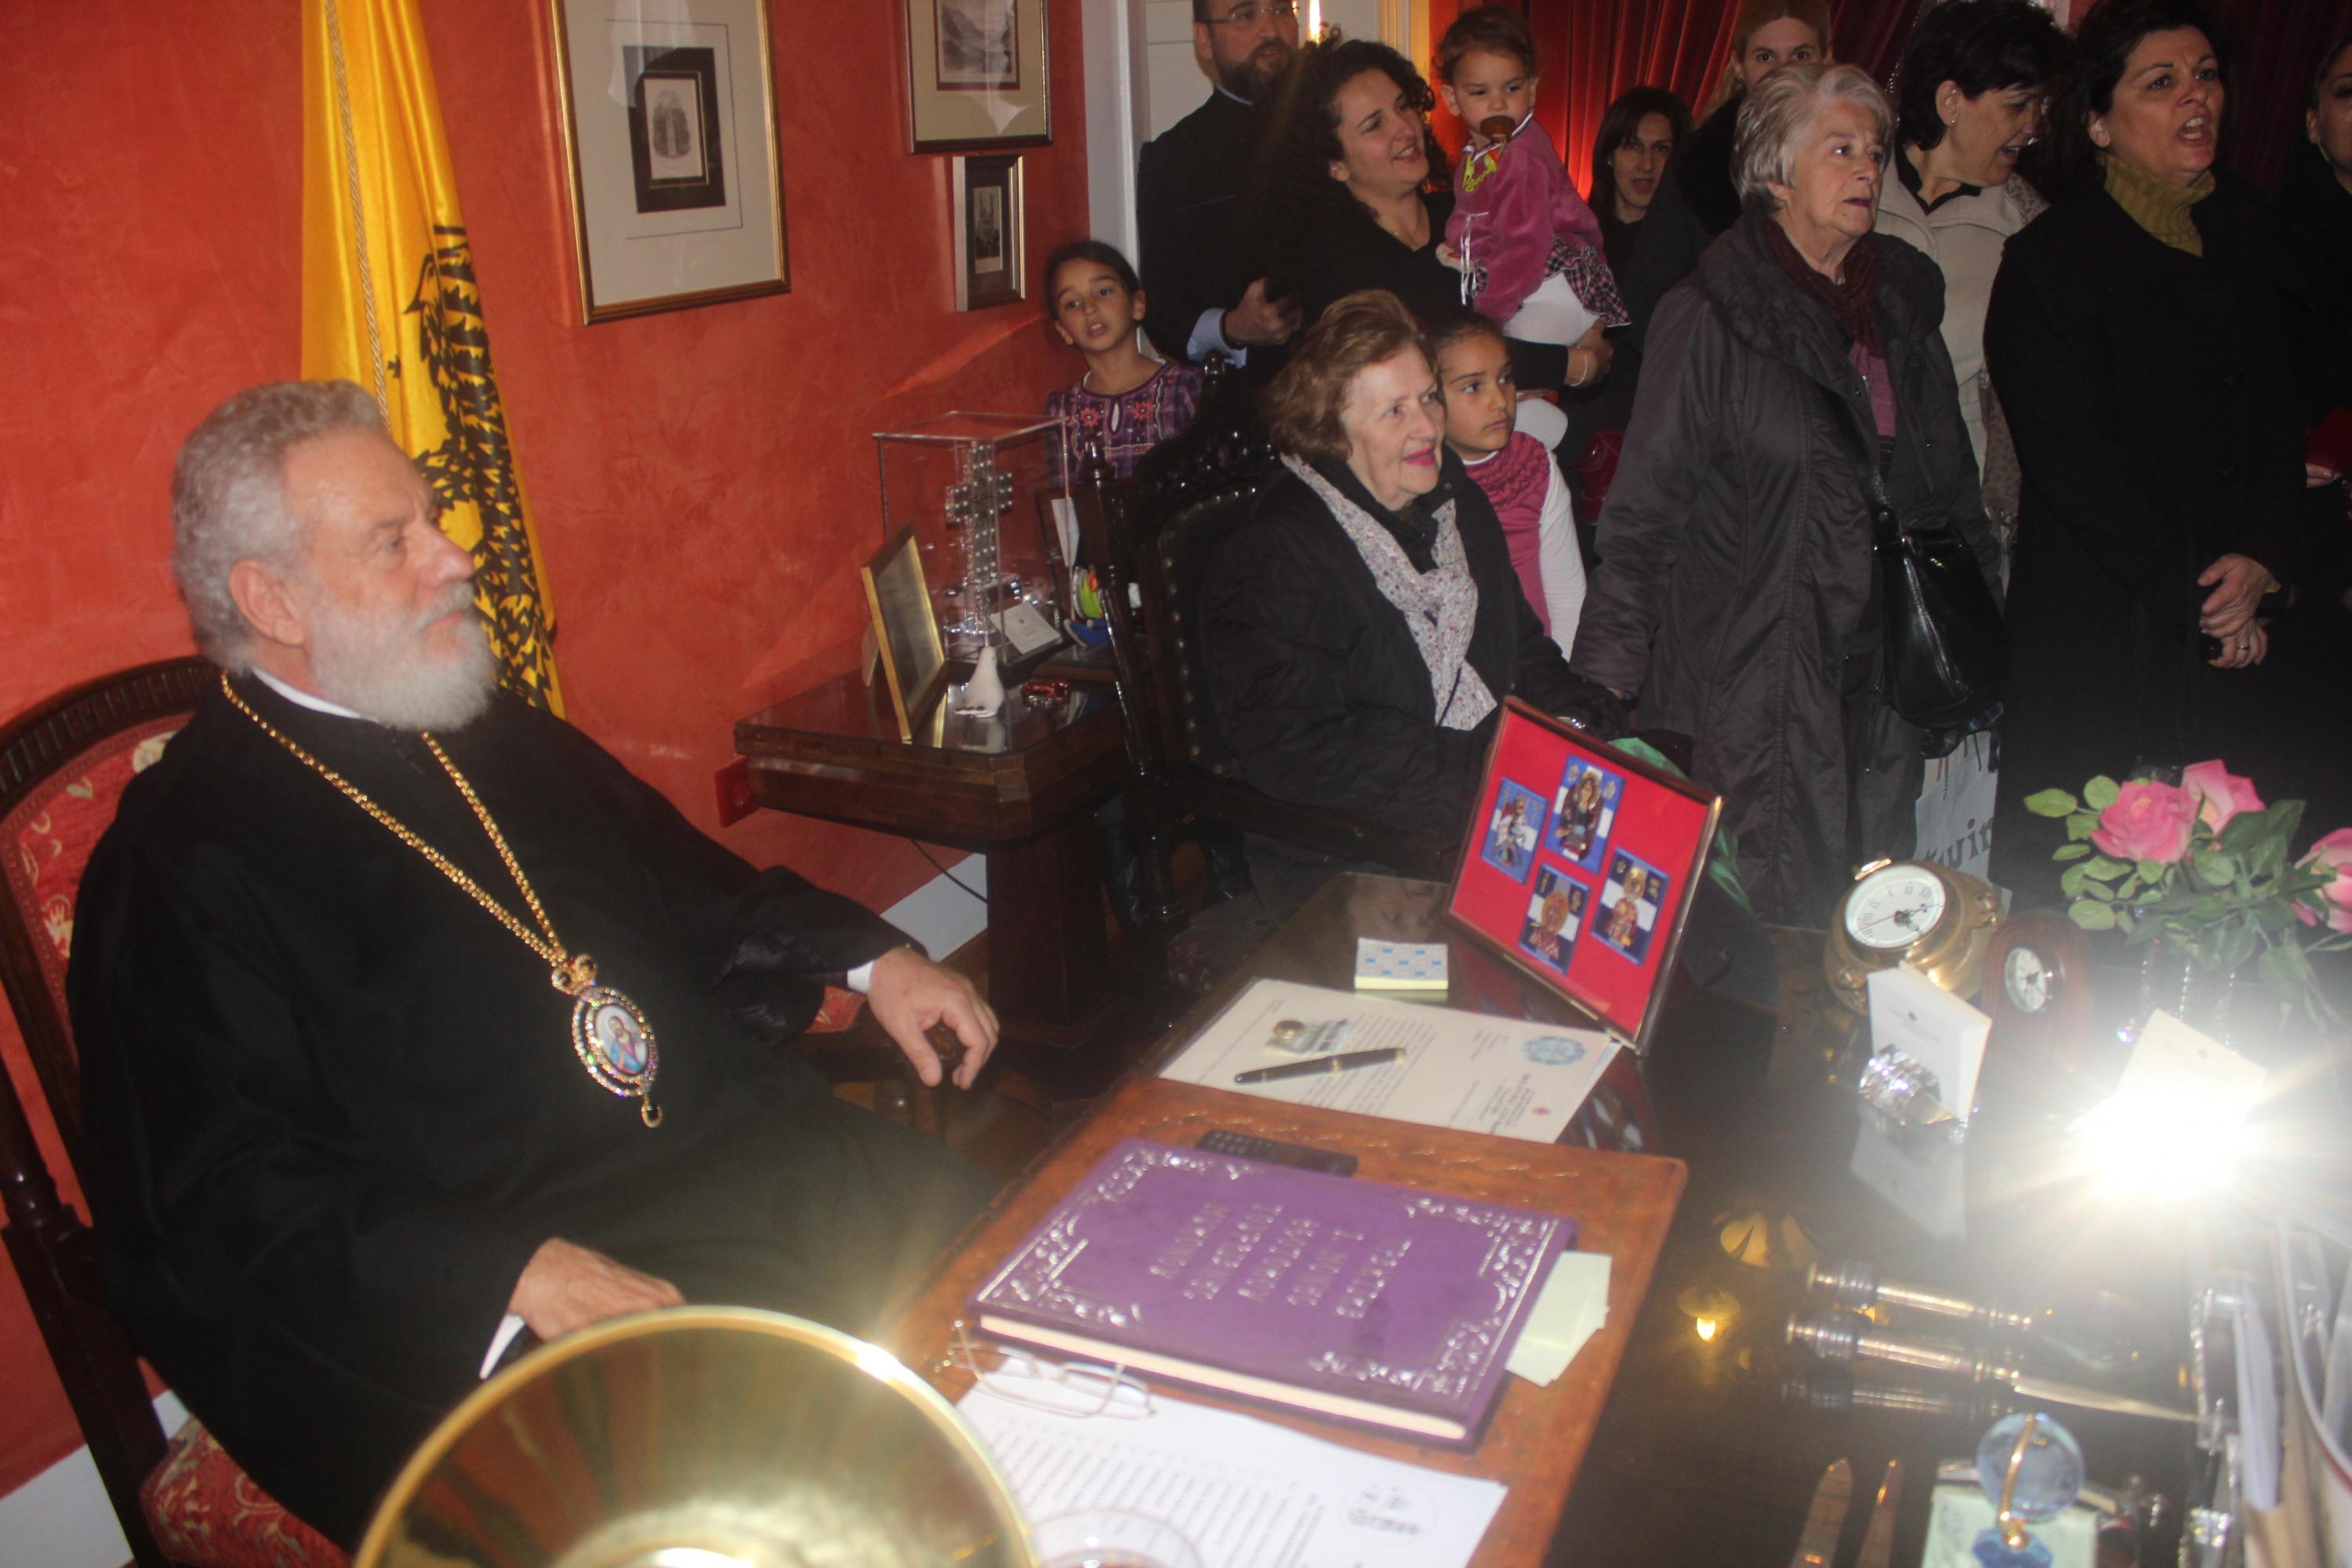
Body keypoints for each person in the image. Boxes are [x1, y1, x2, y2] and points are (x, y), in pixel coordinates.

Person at [70, 382, 1005, 1545]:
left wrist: (873, 960)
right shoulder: (178, 863)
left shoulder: (479, 722)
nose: (454, 557)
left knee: (1039, 1288)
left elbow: (679, 878)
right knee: (820, 1513)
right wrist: (509, 1271)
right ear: (274, 601)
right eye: (395, 540)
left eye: (432, 518)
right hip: (539, 1279)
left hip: (747, 1153)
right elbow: (215, 1198)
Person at [1571, 64, 1999, 926]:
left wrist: (1987, 633)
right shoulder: (1710, 315)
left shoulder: (1900, 309)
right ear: (1774, 173)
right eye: (1840, 150)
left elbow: (1952, 491)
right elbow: (1645, 517)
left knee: (1866, 917)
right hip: (1747, 683)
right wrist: (1600, 697)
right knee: (1760, 930)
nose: (1867, 169)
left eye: (1873, 150)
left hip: (1881, 685)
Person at [1984, 0, 2343, 898]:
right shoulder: (2050, 262)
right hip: (2110, 634)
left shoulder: (2255, 235)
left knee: (2241, 907)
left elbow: (2280, 426)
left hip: (2243, 640)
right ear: (2099, 122)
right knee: (2099, 918)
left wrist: (2262, 561)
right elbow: (2075, 463)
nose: (2196, 97)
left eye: (2207, 76)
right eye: (2162, 81)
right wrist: (2207, 594)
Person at [1198, 289, 1623, 912]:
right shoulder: (1275, 555)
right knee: (1587, 921)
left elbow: (1522, 647)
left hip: (1473, 804)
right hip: (1355, 855)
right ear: (1332, 429)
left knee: (1652, 883)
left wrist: (1584, 720)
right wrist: (1496, 770)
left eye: (1428, 397)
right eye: (1394, 411)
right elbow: (1300, 749)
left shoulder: (1457, 502)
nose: (1427, 426)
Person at [1264, 39, 1581, 395]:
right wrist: (1567, 365)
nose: (1405, 128)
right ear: (1335, 164)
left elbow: (1556, 277)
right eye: (1375, 125)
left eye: (1403, 106)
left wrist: (1588, 326)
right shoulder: (1329, 259)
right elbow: (1430, 354)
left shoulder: (1466, 210)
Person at [1874, 0, 2063, 485]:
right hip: (1841, 490)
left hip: (1963, 504)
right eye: (2018, 105)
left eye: (2041, 106)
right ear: (1951, 102)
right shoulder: (1854, 193)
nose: (2034, 125)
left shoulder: (2031, 229)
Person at [1615, 0, 1832, 358]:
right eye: (1765, 57)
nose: (1783, 73)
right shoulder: (1698, 165)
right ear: (1738, 65)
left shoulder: (1855, 155)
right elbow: (1648, 306)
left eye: (1800, 56)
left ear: (1826, 58)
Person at [1431, 6, 1625, 382]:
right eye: (1480, 92)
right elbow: (1474, 212)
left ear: (1532, 89)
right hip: (1529, 287)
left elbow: (1523, 248)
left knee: (1498, 364)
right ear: (1452, 99)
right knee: (1497, 383)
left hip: (1554, 286)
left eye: (1512, 88)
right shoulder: (1480, 152)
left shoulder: (1520, 157)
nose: (1498, 103)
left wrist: (1487, 319)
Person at [1134, 0, 1304, 375]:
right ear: (1204, 39)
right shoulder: (1173, 160)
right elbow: (1163, 314)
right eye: (1245, 15)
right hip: (1253, 395)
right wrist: (1233, 328)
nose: (1271, 30)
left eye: (1281, 9)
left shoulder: (1351, 124)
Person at [1566, 85, 1692, 531]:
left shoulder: (1697, 252)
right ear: (1609, 155)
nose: (1646, 164)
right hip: (1581, 434)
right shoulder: (1573, 240)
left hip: (1663, 441)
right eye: (1633, 146)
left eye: (1662, 149)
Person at [1427, 305, 1584, 652]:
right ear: (1427, 398)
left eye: (1505, 379)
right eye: (1472, 387)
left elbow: (1568, 597)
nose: (1499, 400)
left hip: (1533, 666)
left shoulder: (1534, 466)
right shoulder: (1412, 481)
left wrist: (1559, 677)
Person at [1040, 240, 1205, 487]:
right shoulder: (1062, 413)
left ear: (1137, 305)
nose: (1090, 309)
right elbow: (1063, 501)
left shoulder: (1186, 388)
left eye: (1104, 292)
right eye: (1072, 304)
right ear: (1063, 330)